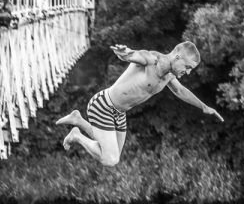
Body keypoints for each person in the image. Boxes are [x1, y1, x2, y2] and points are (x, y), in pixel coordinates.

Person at [56, 41, 224, 167]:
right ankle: (76, 136)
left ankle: (78, 120)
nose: (187, 72)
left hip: (119, 113)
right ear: (177, 57)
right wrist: (124, 53)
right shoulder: (151, 59)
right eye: (187, 67)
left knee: (112, 151)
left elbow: (180, 91)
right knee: (110, 159)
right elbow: (132, 55)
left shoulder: (169, 76)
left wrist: (204, 107)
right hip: (104, 105)